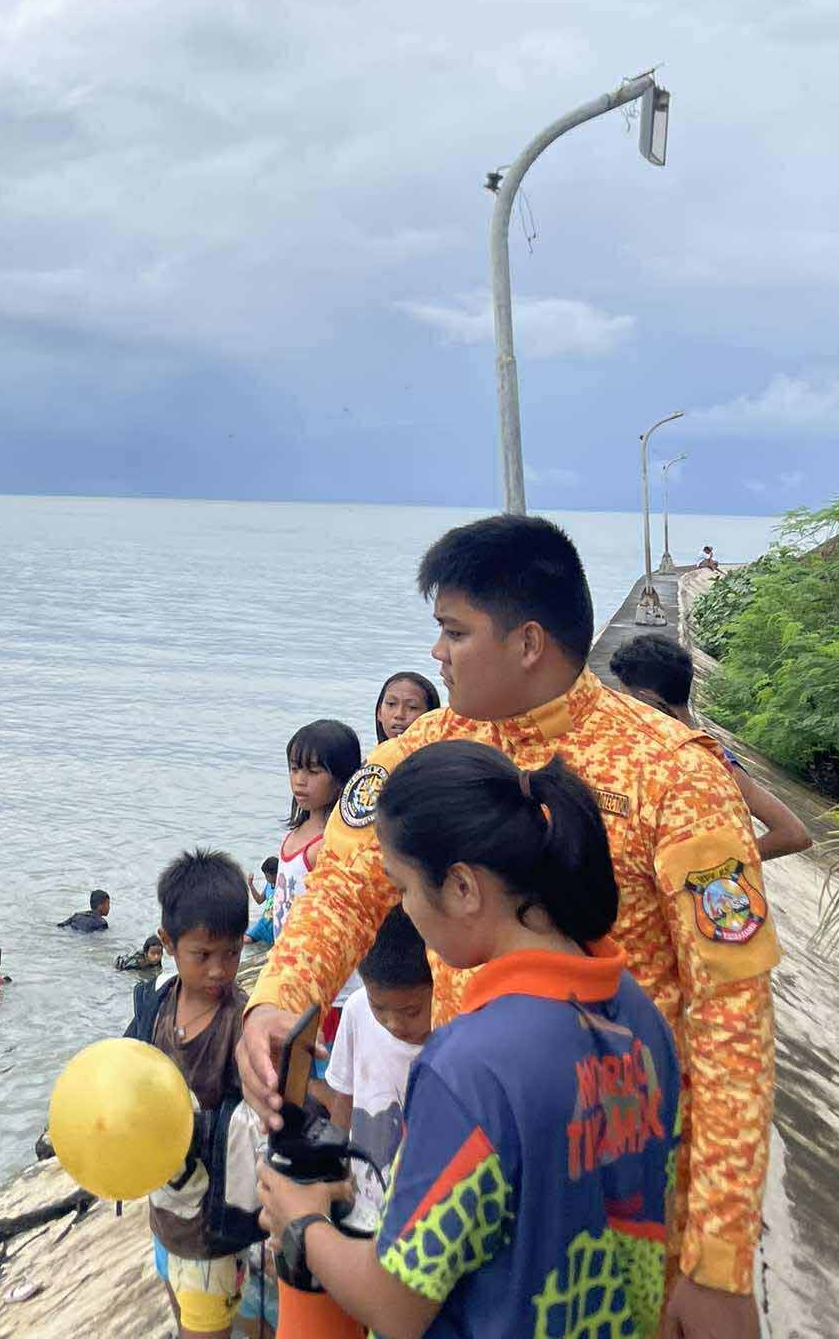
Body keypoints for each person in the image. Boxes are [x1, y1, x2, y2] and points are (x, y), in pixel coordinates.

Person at [240, 514, 778, 1339]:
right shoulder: (419, 754)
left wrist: (719, 1260)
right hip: (467, 1167)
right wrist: (280, 998)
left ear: (528, 642)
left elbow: (732, 1017)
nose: (437, 654)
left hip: (624, 1192)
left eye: (455, 632)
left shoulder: (674, 775)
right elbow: (343, 888)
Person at [257, 742, 681, 1338]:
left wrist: (303, 1222)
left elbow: (396, 1306)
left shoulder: (469, 1066)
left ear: (462, 887)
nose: (404, 909)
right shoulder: (641, 1016)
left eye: (402, 888)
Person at [126, 848, 251, 1339]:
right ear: (168, 943)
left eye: (232, 953)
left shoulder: (240, 1024)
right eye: (203, 955)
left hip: (214, 1231)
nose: (220, 969)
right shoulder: (157, 1005)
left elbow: (255, 1125)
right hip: (165, 1215)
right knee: (182, 1318)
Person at [611, 633, 814, 862]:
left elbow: (794, 835)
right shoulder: (703, 753)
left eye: (625, 700)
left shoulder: (712, 763)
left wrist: (712, 865)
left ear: (648, 700)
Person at [318, 907, 433, 1227]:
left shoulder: (452, 1032)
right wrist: (335, 1166)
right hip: (362, 1203)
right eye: (379, 1007)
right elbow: (344, 1098)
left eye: (411, 1011)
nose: (394, 1023)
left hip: (420, 1220)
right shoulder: (356, 1010)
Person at [274, 721, 363, 940]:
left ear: (342, 778)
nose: (299, 781)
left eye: (313, 772)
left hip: (314, 951)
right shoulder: (298, 831)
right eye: (294, 769)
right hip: (286, 951)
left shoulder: (330, 843)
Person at [373, 670, 441, 744]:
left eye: (412, 707)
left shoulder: (446, 751)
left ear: (432, 717)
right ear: (379, 712)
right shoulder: (375, 751)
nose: (399, 714)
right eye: (391, 704)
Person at [247, 857, 280, 946]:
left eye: (267, 876)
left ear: (276, 874)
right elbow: (259, 900)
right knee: (245, 940)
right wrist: (251, 885)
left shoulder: (283, 887)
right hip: (263, 923)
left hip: (274, 927)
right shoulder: (269, 885)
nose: (266, 878)